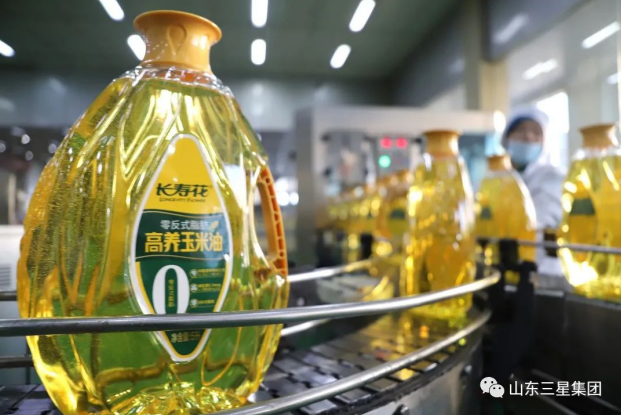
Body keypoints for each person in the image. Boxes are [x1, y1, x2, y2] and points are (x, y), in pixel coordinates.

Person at [503, 106, 565, 275]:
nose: (528, 136)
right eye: (520, 130)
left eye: (536, 132)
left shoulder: (552, 176)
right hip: (503, 265)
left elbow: (542, 224)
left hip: (541, 268)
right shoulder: (495, 179)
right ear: (506, 138)